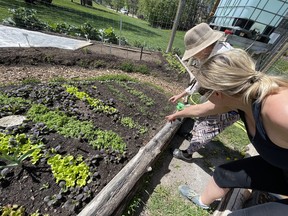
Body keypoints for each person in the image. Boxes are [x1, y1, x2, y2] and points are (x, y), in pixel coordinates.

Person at [166, 49, 288, 215]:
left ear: (218, 93)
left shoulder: (279, 110)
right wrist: (176, 114)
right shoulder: (241, 99)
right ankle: (202, 202)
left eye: (203, 91)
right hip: (281, 168)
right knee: (223, 174)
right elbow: (201, 109)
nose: (204, 96)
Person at [169, 22, 240, 161]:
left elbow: (210, 106)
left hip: (230, 105)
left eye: (195, 52)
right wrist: (181, 95)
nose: (194, 56)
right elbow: (199, 81)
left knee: (208, 127)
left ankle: (188, 154)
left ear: (205, 47)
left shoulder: (222, 60)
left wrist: (181, 112)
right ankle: (193, 136)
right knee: (201, 120)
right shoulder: (211, 54)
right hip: (219, 97)